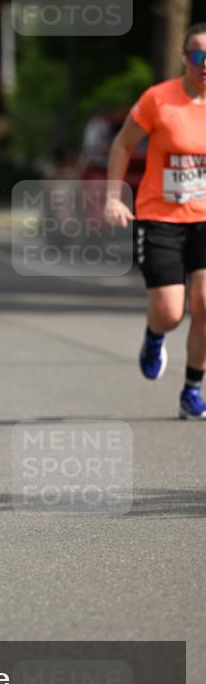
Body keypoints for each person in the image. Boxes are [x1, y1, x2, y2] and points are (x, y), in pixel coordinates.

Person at [104, 22, 206, 419]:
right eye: (198, 56)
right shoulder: (158, 100)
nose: (205, 65)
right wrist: (114, 197)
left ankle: (192, 388)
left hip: (203, 218)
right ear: (184, 59)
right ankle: (155, 334)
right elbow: (122, 144)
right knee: (169, 311)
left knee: (205, 306)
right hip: (159, 216)